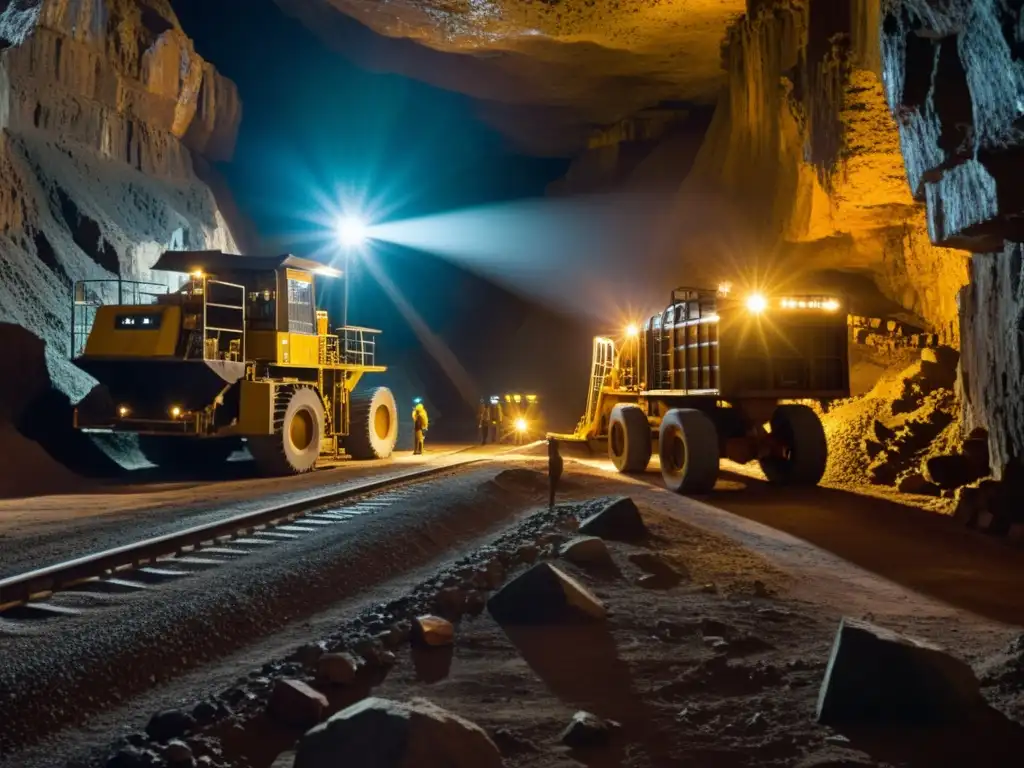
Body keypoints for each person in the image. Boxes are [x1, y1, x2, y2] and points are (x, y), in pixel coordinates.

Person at [547, 437, 563, 509]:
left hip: (555, 473)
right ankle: (551, 503)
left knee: (552, 488)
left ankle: (551, 503)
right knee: (552, 489)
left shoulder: (555, 456)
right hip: (555, 472)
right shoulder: (554, 455)